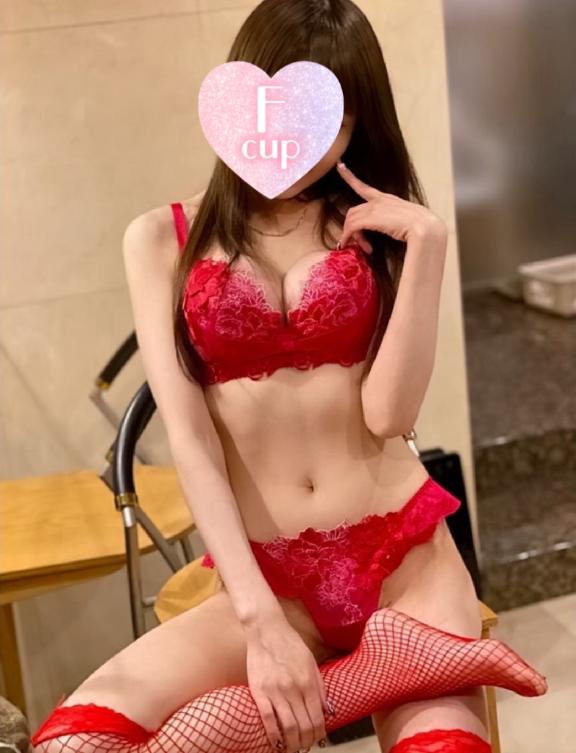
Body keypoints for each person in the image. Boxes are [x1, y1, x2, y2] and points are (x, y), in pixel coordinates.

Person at [31, 1, 547, 752]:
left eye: (330, 121)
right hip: (269, 579)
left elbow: (389, 415)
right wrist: (259, 621)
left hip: (404, 561)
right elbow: (192, 441)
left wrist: (428, 247)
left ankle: (387, 665)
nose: (303, 146)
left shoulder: (373, 225)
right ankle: (384, 671)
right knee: (74, 742)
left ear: (357, 122)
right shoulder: (160, 239)